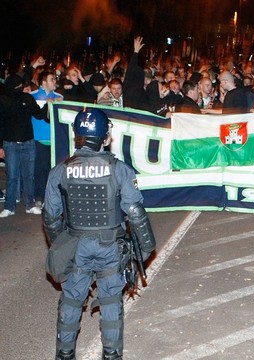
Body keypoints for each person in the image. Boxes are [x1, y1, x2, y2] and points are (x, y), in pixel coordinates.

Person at [42, 108, 156, 360]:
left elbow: (50, 215)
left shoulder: (60, 170)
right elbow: (136, 213)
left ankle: (64, 354)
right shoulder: (120, 170)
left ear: (77, 136)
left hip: (76, 244)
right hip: (110, 246)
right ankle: (112, 355)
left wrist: (62, 243)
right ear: (105, 137)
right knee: (111, 301)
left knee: (71, 301)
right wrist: (145, 251)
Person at [0, 74, 49, 217]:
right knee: (12, 176)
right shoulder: (3, 101)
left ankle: (30, 205)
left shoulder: (27, 98)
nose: (19, 88)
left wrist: (49, 104)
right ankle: (9, 206)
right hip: (10, 144)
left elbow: (39, 114)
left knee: (29, 176)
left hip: (28, 143)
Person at [31, 70, 64, 208]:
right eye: (52, 79)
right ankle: (38, 196)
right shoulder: (32, 96)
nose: (55, 81)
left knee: (54, 171)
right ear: (44, 82)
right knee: (39, 169)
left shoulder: (59, 97)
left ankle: (51, 198)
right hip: (38, 139)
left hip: (54, 139)